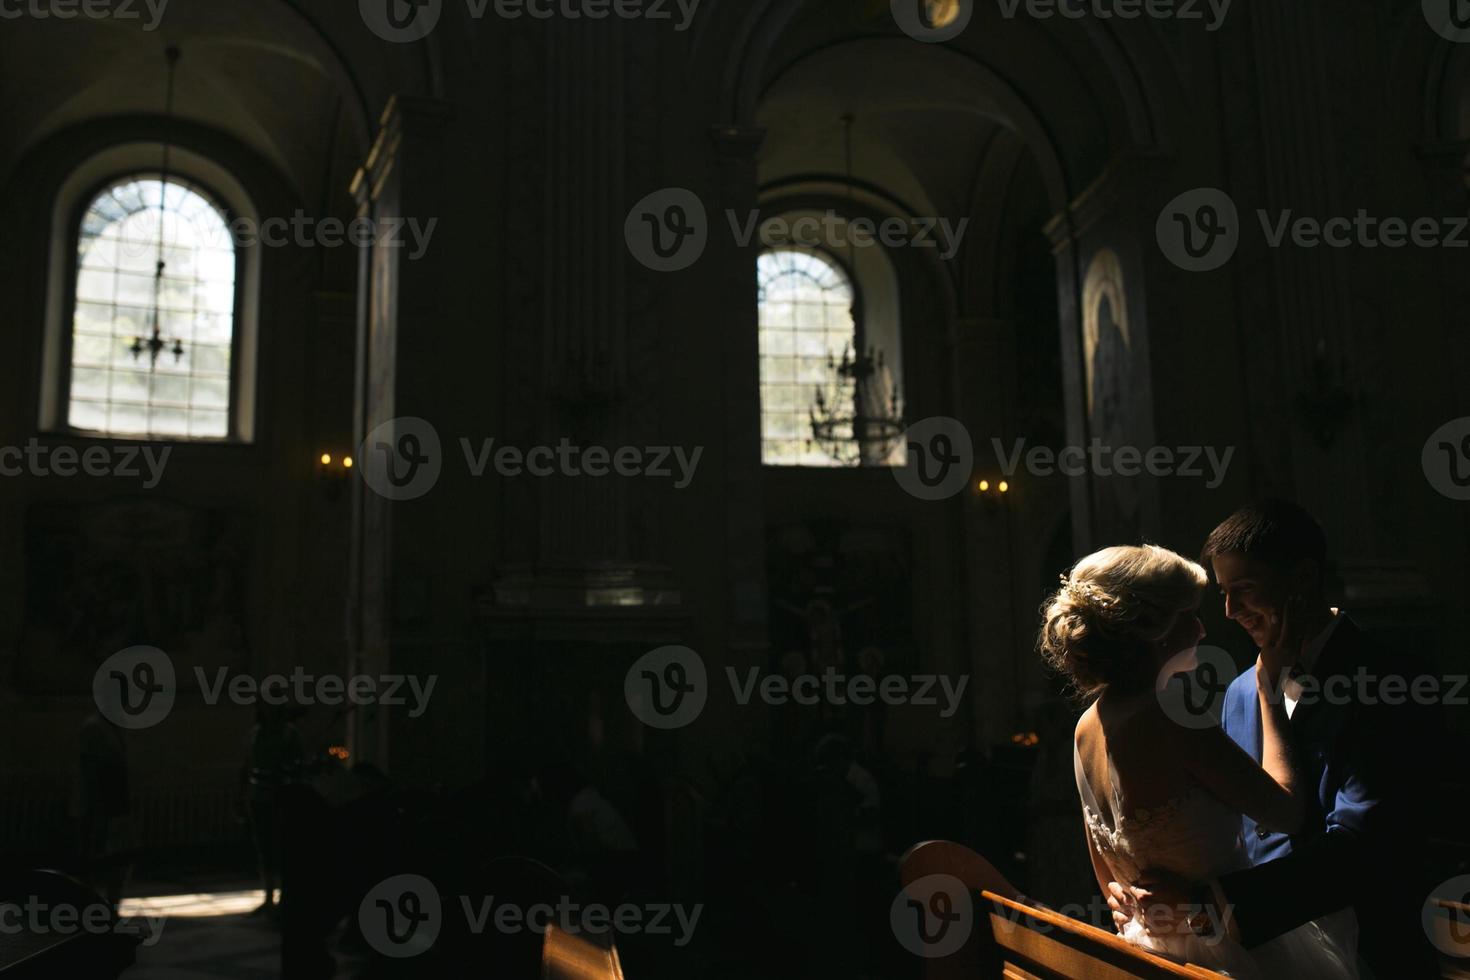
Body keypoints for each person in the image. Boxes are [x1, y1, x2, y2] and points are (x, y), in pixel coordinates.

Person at [1108, 501, 1442, 978]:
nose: (1229, 611)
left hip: (1370, 951)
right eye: (1223, 593)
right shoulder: (1244, 690)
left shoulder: (1392, 682)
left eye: (1243, 590)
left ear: (1302, 581)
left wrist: (1211, 907)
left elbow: (1363, 849)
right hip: (1260, 954)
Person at [1040, 543, 1356, 977]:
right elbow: (1285, 811)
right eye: (1188, 614)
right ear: (1154, 629)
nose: (1202, 630)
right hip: (1230, 951)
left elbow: (1109, 881)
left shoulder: (1086, 726)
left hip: (1150, 949)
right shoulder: (1172, 715)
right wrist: (1268, 691)